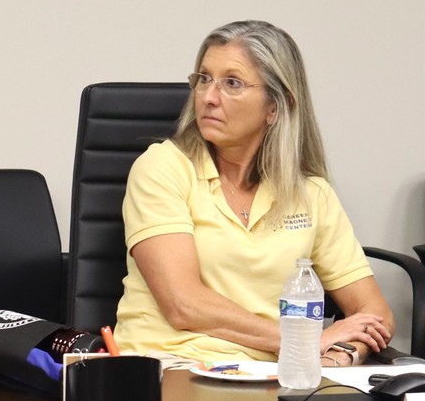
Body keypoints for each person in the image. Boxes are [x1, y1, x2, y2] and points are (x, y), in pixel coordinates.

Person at [115, 20, 393, 367]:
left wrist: (339, 356)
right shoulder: (163, 167)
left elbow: (375, 314)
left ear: (275, 107)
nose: (209, 97)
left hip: (270, 376)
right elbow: (183, 305)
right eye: (203, 79)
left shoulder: (311, 193)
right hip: (169, 366)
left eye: (231, 83)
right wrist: (307, 342)